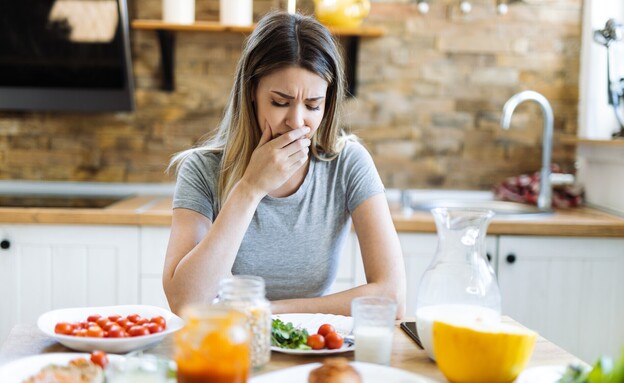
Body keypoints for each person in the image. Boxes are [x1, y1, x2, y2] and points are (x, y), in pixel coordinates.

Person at [163, 10, 406, 318]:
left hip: (312, 348)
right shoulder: (201, 169)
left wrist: (266, 312)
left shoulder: (348, 164)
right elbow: (185, 302)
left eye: (313, 105)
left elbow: (393, 297)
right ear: (252, 92)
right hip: (227, 348)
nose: (296, 121)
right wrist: (250, 188)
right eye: (280, 102)